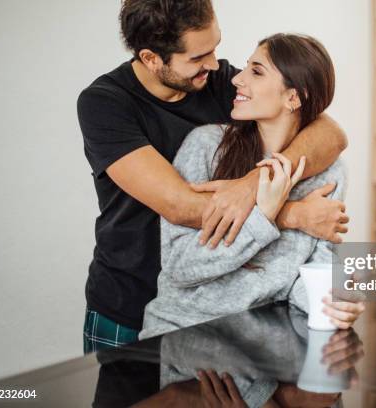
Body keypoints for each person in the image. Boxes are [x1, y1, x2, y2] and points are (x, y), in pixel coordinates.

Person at [77, 0, 349, 353]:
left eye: (215, 47)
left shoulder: (215, 80)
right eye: (197, 57)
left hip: (219, 312)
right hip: (128, 301)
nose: (215, 63)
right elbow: (180, 205)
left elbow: (329, 131)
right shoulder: (106, 103)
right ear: (151, 58)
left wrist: (255, 183)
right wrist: (292, 214)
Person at [140, 33, 365, 339]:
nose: (237, 79)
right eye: (246, 68)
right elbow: (180, 266)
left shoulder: (331, 173)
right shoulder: (206, 146)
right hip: (185, 334)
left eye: (256, 72)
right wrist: (263, 218)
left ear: (293, 97)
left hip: (262, 344)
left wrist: (332, 303)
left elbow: (312, 275)